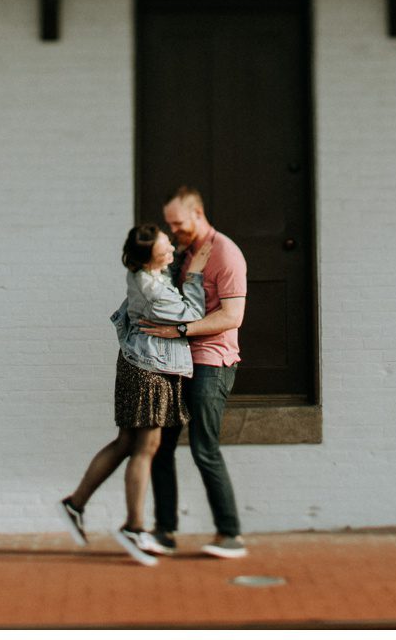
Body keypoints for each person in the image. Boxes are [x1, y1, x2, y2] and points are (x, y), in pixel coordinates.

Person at [60, 223, 213, 565]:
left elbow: (168, 269)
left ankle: (75, 504)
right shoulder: (153, 290)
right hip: (148, 372)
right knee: (147, 447)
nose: (172, 251)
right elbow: (193, 316)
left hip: (140, 364)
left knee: (127, 442)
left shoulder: (146, 272)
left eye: (170, 244)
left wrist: (181, 259)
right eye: (165, 250)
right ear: (148, 260)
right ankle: (134, 526)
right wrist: (196, 275)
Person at [135, 187, 248, 560]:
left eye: (178, 223)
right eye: (169, 224)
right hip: (177, 363)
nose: (173, 229)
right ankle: (164, 532)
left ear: (197, 213)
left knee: (204, 449)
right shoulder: (183, 253)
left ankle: (230, 534)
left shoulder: (226, 254)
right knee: (160, 447)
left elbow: (232, 317)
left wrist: (180, 331)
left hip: (212, 362)